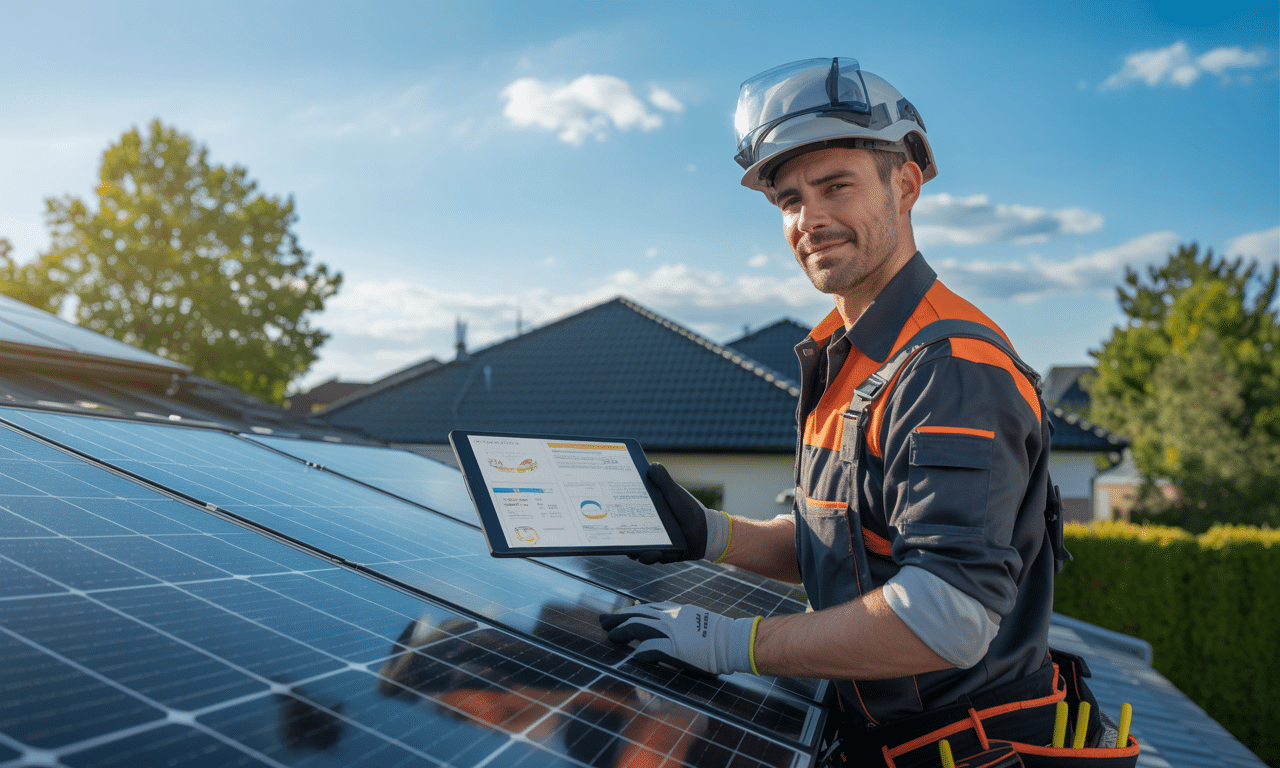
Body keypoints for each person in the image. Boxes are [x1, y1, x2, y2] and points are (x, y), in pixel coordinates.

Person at [601, 58, 1137, 767]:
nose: (809, 219)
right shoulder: (846, 354)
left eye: (836, 187)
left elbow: (946, 619)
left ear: (905, 184)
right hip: (880, 738)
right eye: (789, 200)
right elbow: (851, 547)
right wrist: (711, 532)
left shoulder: (949, 368)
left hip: (958, 750)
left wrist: (732, 643)